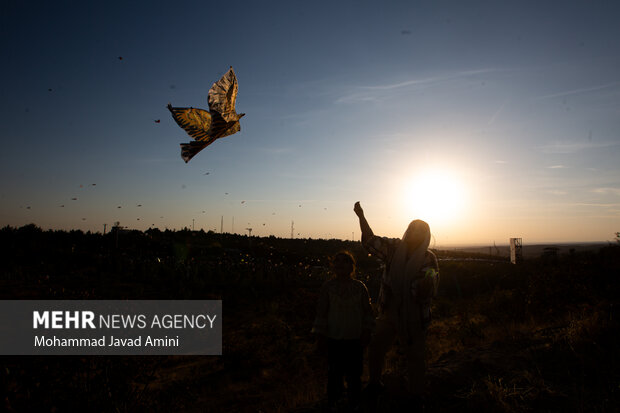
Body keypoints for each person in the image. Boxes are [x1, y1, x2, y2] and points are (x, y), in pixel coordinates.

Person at [354, 201, 439, 402]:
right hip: (389, 311)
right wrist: (361, 217)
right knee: (376, 348)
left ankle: (416, 395)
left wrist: (422, 285)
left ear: (425, 235)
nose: (413, 233)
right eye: (411, 229)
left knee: (415, 357)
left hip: (414, 317)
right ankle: (375, 384)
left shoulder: (429, 259)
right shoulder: (393, 248)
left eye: (419, 231)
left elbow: (427, 285)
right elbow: (370, 241)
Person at [312, 251, 375, 411]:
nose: (340, 264)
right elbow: (321, 314)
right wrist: (320, 338)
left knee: (355, 376)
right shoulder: (328, 287)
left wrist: (367, 333)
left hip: (355, 340)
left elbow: (368, 313)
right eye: (337, 261)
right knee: (334, 376)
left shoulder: (360, 287)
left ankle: (354, 404)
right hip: (334, 340)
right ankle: (334, 404)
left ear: (352, 266)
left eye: (345, 261)